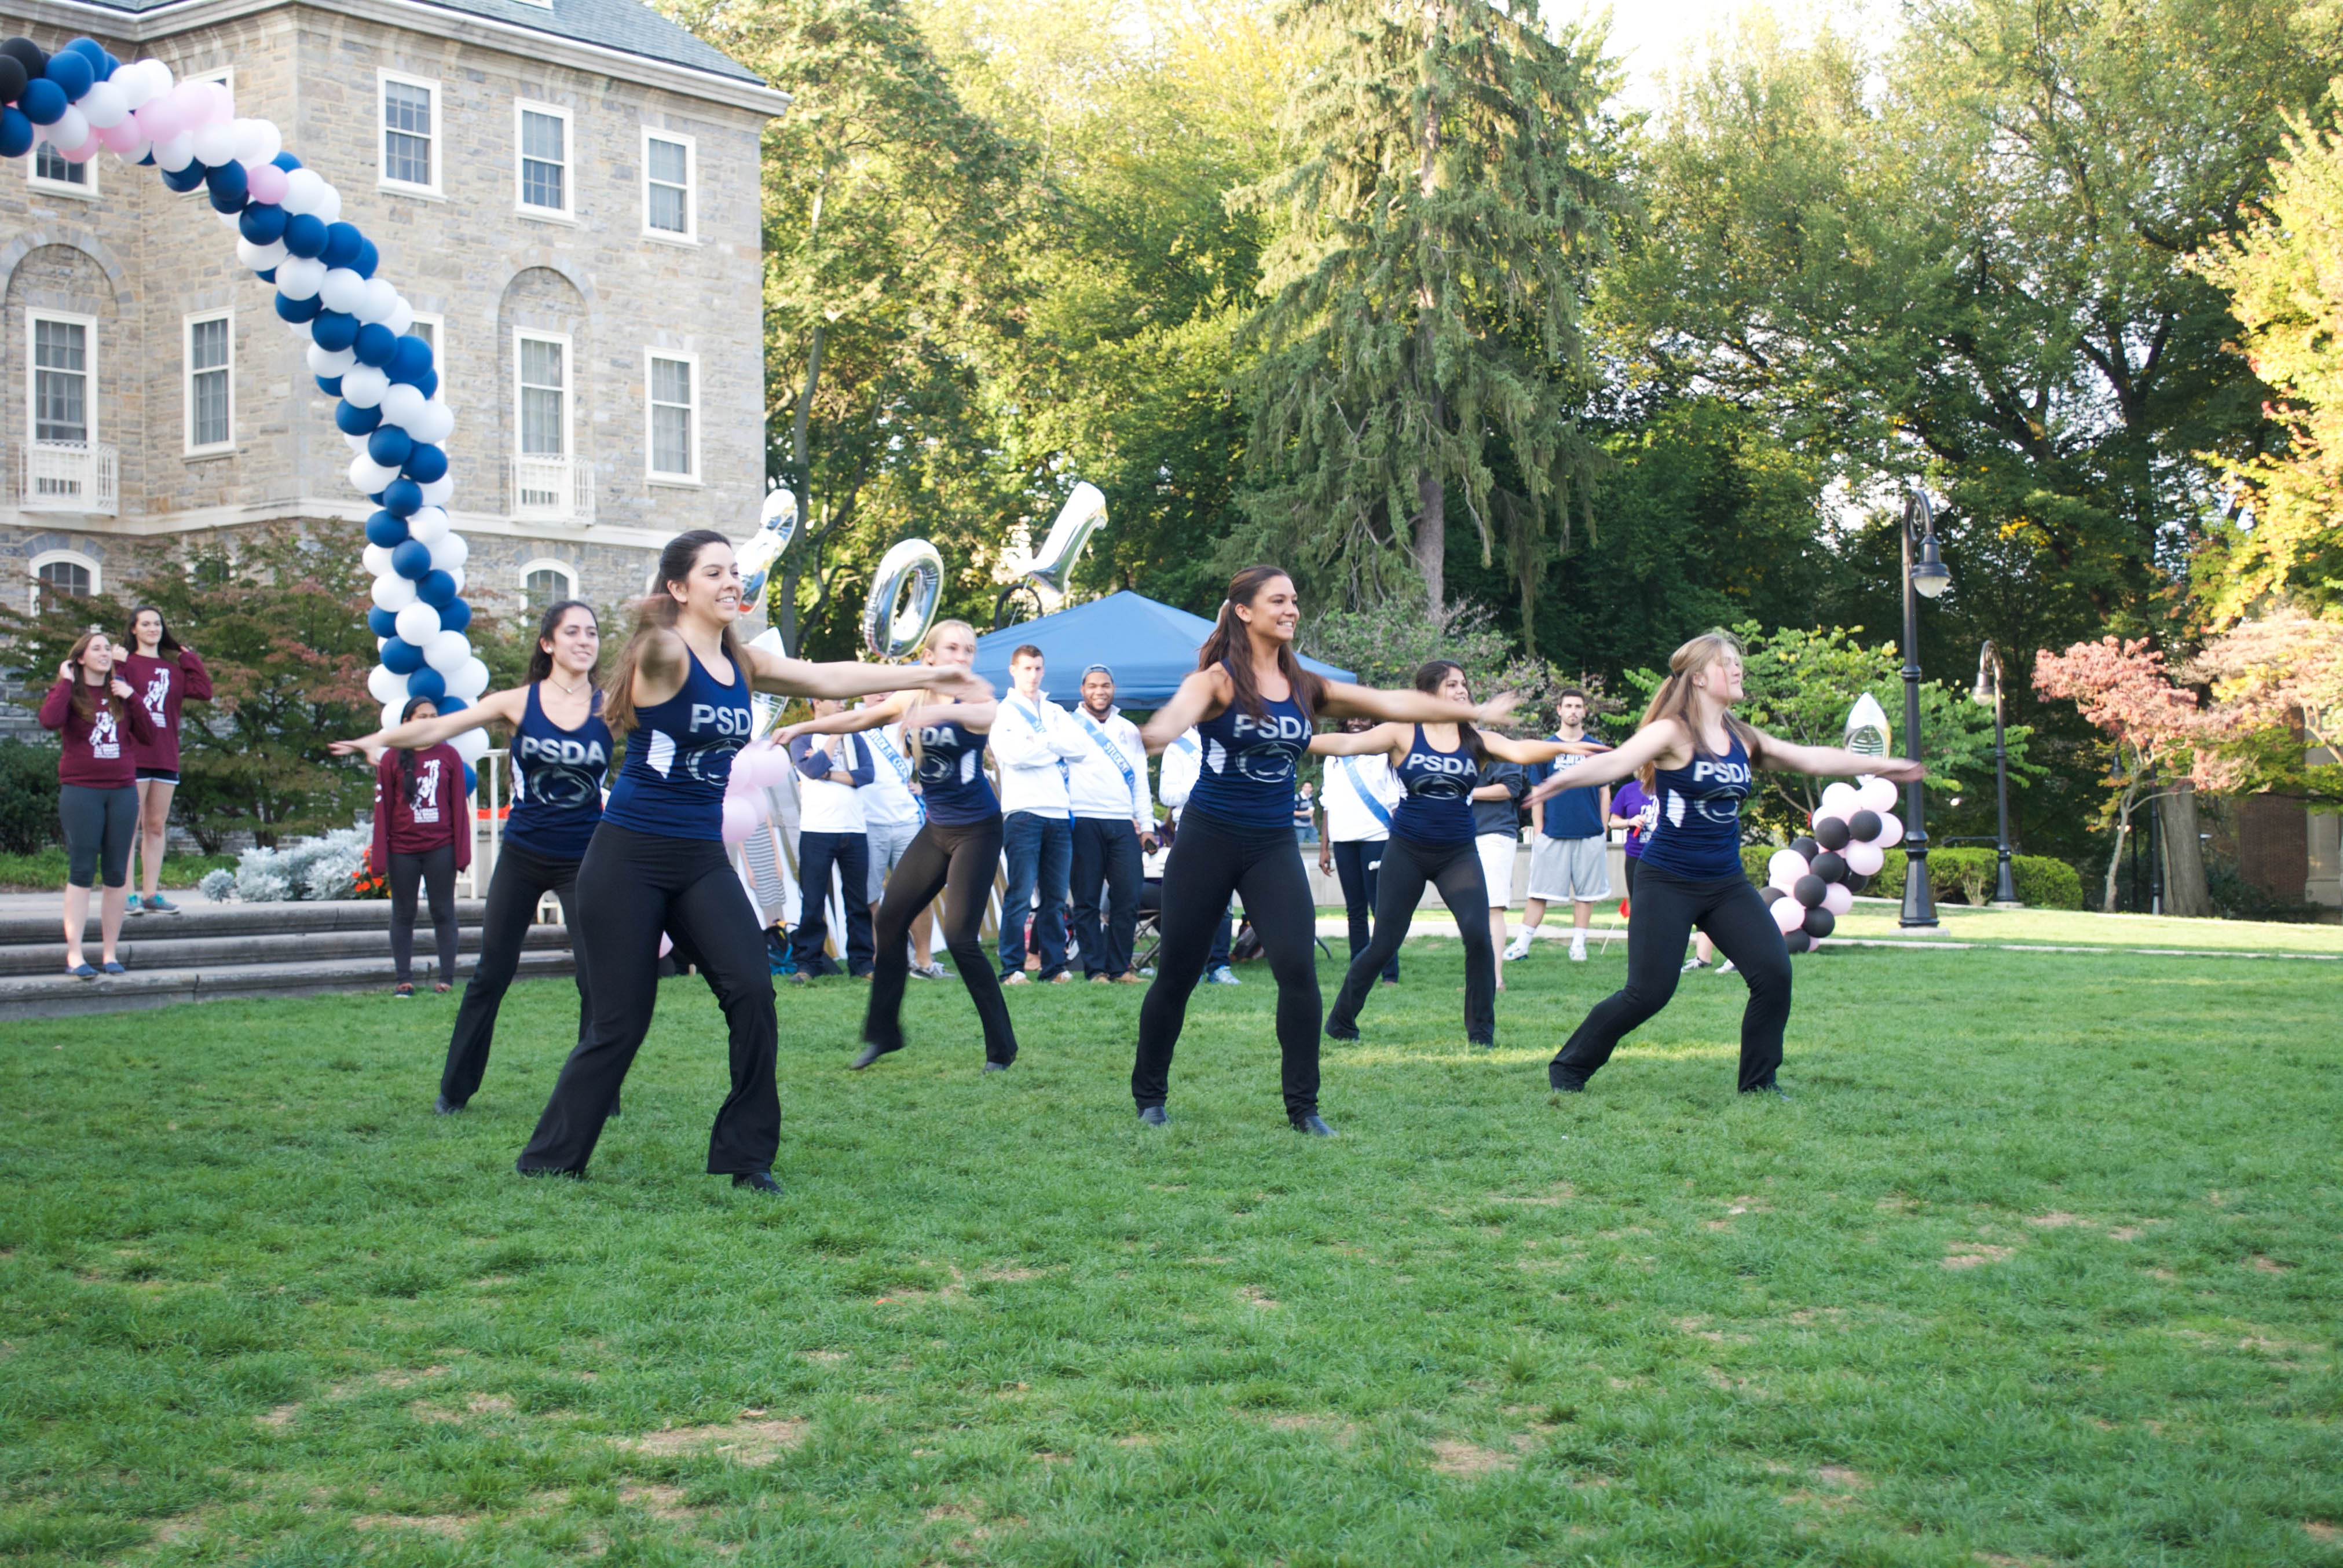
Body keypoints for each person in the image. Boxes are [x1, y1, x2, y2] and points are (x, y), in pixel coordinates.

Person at [515, 530, 982, 1193]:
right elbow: (648, 650)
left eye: (736, 571)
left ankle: (746, 1157)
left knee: (755, 994)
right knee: (619, 1024)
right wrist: (650, 616)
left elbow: (827, 678)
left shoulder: (741, 661)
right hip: (627, 858)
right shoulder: (665, 653)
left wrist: (928, 673)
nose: (733, 581)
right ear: (678, 588)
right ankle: (551, 1157)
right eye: (715, 572)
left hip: (700, 859)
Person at [1134, 568, 1519, 1135]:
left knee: (1297, 971)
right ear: (1243, 610)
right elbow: (1176, 710)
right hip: (1207, 838)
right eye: (1277, 600)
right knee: (1177, 972)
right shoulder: (1217, 680)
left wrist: (1471, 713)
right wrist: (1157, 731)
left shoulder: (1304, 685)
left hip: (1271, 844)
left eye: (1294, 599)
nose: (1291, 609)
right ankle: (1150, 1094)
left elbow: (1392, 701)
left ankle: (1303, 1108)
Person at [1523, 630, 1921, 1096]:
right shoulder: (1674, 731)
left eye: (1738, 661)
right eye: (1727, 662)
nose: (1737, 669)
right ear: (1697, 678)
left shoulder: (1741, 735)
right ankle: (1569, 1068)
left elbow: (1809, 758)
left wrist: (1884, 765)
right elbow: (1617, 763)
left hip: (1724, 882)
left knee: (1773, 974)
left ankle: (1758, 1084)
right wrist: (1559, 782)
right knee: (1649, 993)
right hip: (1667, 878)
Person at [332, 599, 609, 1111]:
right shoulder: (518, 702)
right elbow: (436, 730)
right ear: (547, 643)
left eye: (591, 632)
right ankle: (454, 1090)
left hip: (585, 859)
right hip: (525, 855)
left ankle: (597, 1088)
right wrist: (380, 739)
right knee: (490, 973)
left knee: (596, 976)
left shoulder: (611, 706)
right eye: (572, 632)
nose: (584, 641)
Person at [1312, 662, 1592, 1049]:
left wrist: (1567, 746)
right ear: (1429, 693)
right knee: (1385, 942)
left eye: (1464, 684)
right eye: (1452, 684)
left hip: (1458, 853)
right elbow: (1345, 745)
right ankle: (1342, 1021)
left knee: (1478, 936)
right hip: (1407, 850)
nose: (1462, 690)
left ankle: (1481, 1034)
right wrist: (1292, 739)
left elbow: (1522, 751)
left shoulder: (1476, 739)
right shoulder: (1402, 732)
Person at [781, 619, 1015, 1072]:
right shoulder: (912, 694)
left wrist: (942, 713)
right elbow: (858, 717)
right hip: (936, 829)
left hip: (978, 830)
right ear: (929, 656)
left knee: (964, 938)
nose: (962, 657)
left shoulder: (975, 695)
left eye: (969, 649)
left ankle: (1001, 1050)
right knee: (888, 921)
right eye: (952, 648)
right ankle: (884, 1035)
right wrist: (799, 730)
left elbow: (986, 715)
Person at [42, 629, 157, 977]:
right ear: (80, 657)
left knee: (116, 874)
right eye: (96, 648)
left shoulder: (122, 692)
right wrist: (65, 682)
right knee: (81, 869)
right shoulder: (70, 692)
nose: (105, 653)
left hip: (122, 790)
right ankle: (75, 955)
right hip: (81, 789)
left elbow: (151, 737)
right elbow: (49, 721)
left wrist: (133, 696)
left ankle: (110, 954)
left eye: (108, 648)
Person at [991, 644, 1088, 984]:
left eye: (1037, 669)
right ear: (1014, 671)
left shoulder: (1055, 711)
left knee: (1055, 898)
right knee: (1019, 894)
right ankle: (1012, 968)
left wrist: (1042, 741)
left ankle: (1054, 967)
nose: (1033, 675)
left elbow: (1081, 748)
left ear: (1043, 671)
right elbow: (1013, 755)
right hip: (1023, 812)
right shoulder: (1005, 712)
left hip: (1059, 813)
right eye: (1027, 669)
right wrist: (1054, 746)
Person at [369, 696, 470, 999]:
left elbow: (458, 807)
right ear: (406, 723)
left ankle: (446, 978)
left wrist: (461, 852)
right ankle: (404, 979)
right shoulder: (391, 760)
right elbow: (382, 808)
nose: (429, 721)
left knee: (443, 911)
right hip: (402, 849)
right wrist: (380, 856)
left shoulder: (449, 755)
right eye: (421, 716)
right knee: (403, 913)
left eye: (433, 716)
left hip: (441, 846)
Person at [1065, 664, 1155, 983]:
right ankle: (1095, 969)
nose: (1099, 691)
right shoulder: (1067, 725)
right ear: (1082, 691)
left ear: (1113, 689)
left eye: (1105, 685)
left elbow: (1141, 782)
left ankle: (1120, 968)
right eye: (1092, 686)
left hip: (1122, 822)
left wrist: (1148, 826)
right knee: (1087, 899)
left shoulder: (1129, 729)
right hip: (1083, 819)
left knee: (1128, 897)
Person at [1510, 690, 1613, 964]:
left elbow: (1605, 792)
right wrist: (1540, 830)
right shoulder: (1546, 749)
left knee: (1586, 894)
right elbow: (1537, 792)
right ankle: (1522, 944)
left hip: (1590, 832)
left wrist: (1603, 829)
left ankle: (1578, 946)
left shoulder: (1595, 748)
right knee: (1539, 891)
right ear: (1559, 710)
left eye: (1578, 706)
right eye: (1568, 706)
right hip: (1553, 833)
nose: (1573, 711)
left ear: (1585, 712)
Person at [118, 607, 210, 915]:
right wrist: (117, 664)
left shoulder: (172, 671)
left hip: (165, 754)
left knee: (156, 825)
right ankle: (128, 894)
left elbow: (203, 690)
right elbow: (112, 693)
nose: (152, 628)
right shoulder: (127, 665)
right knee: (128, 827)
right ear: (133, 629)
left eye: (157, 623)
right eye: (145, 624)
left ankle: (151, 893)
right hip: (134, 753)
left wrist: (188, 658)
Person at [787, 699, 877, 980]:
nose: (841, 704)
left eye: (842, 700)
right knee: (813, 901)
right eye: (834, 700)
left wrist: (828, 771)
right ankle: (808, 964)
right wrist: (834, 737)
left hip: (854, 829)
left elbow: (866, 775)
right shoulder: (802, 737)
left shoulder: (856, 738)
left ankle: (863, 963)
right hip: (817, 829)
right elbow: (811, 770)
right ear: (817, 703)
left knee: (857, 901)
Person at [1316, 715, 1403, 987]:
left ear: (1373, 721)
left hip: (1376, 837)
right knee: (1354, 910)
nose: (1355, 721)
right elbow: (1327, 803)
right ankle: (1359, 969)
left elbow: (1395, 801)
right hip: (1343, 840)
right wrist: (1324, 847)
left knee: (1381, 908)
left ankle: (1389, 973)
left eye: (1362, 716)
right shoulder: (1333, 757)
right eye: (1350, 716)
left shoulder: (1383, 755)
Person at [857, 698, 941, 979]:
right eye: (875, 690)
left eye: (887, 691)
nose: (881, 695)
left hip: (907, 820)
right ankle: (885, 961)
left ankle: (924, 960)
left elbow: (931, 759)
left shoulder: (907, 721)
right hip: (869, 819)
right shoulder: (857, 723)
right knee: (872, 896)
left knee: (919, 892)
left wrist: (923, 785)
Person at [1156, 725, 1239, 985]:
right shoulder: (1177, 747)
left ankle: (1219, 966)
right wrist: (1203, 788)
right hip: (1192, 828)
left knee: (1224, 903)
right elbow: (1166, 794)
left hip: (1227, 826)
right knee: (1191, 902)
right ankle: (1192, 966)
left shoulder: (1231, 740)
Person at [1471, 749, 1529, 990]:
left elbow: (1510, 788)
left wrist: (1467, 792)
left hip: (1494, 834)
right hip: (1464, 835)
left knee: (1493, 908)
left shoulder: (1493, 747)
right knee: (1473, 909)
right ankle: (1478, 979)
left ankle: (1494, 980)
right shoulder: (1450, 748)